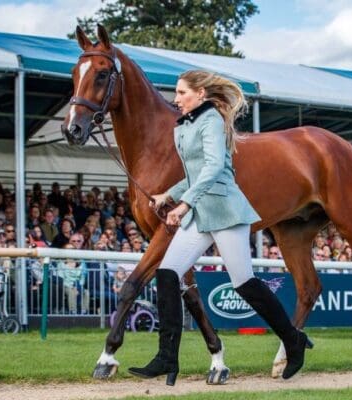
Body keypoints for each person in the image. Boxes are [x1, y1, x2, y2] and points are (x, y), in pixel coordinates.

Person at [128, 70, 310, 385]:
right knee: (167, 273)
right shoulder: (184, 126)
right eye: (176, 92)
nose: (176, 98)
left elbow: (213, 169)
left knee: (244, 282)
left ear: (200, 93)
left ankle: (292, 340)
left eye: (182, 92)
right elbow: (194, 174)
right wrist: (168, 195)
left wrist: (183, 204)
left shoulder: (211, 120)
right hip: (202, 213)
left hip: (225, 210)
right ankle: (166, 356)